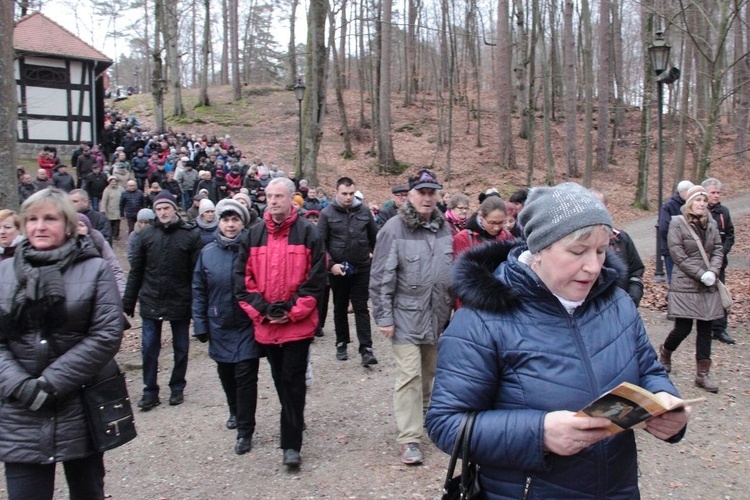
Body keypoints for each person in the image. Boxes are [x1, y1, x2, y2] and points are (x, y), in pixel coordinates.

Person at [426, 182, 690, 497]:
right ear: (537, 249)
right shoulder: (481, 321)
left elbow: (649, 370)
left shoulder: (617, 303)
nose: (594, 266)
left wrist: (668, 406)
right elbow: (445, 423)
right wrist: (539, 434)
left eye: (602, 250)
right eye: (578, 251)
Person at [0, 188, 124, 500]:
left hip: (80, 403)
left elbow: (106, 334)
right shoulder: (3, 272)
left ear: (68, 224)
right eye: (32, 219)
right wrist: (21, 385)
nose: (39, 226)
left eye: (49, 218)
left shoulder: (94, 269)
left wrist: (51, 383)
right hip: (20, 408)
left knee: (87, 491)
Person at [235, 177, 326, 469]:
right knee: (280, 380)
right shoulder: (253, 235)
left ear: (291, 200)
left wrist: (291, 311)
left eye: (278, 196)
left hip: (297, 325)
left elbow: (316, 282)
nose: (272, 201)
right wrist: (264, 310)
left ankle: (291, 444)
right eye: (269, 196)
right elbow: (241, 282)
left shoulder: (309, 233)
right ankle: (294, 419)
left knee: (293, 381)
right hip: (267, 326)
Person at [369, 169, 453, 465]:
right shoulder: (394, 228)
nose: (428, 198)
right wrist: (383, 316)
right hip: (404, 315)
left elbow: (450, 271)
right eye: (422, 192)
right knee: (410, 375)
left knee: (430, 371)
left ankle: (427, 416)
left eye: (433, 192)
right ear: (410, 195)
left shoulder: (445, 228)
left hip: (435, 316)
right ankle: (409, 439)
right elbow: (380, 276)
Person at [123, 191, 203, 411]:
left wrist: (197, 305)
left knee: (181, 347)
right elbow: (136, 270)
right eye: (158, 209)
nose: (163, 212)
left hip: (180, 299)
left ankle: (177, 386)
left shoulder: (190, 236)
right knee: (149, 348)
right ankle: (150, 390)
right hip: (151, 298)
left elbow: (197, 274)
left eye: (166, 208)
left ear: (174, 208)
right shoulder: (145, 235)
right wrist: (128, 300)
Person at [193, 199, 262, 455]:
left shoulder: (253, 249)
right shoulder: (207, 253)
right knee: (226, 374)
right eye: (225, 220)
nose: (230, 225)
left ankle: (246, 430)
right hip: (219, 323)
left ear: (242, 222)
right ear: (218, 222)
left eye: (235, 220)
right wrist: (200, 323)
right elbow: (199, 289)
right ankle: (234, 409)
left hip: (247, 324)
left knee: (246, 376)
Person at [659, 185, 725, 393]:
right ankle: (666, 352)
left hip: (708, 284)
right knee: (683, 327)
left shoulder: (711, 224)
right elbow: (677, 253)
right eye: (698, 200)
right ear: (689, 203)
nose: (702, 204)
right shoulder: (677, 223)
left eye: (705, 201)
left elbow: (718, 250)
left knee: (706, 327)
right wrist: (700, 273)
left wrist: (713, 271)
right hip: (686, 283)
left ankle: (702, 374)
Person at [317, 177, 379, 364]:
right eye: (344, 193)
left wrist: (371, 252)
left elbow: (374, 237)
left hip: (361, 268)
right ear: (337, 193)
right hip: (338, 269)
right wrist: (330, 265)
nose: (348, 197)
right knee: (339, 307)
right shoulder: (327, 214)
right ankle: (341, 343)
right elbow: (320, 245)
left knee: (361, 307)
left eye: (351, 193)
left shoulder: (364, 211)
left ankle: (366, 348)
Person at [591, 189, 645, 307]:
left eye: (599, 206)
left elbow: (637, 270)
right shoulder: (570, 242)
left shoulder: (621, 238)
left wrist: (633, 296)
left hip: (620, 307)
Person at [702, 178, 736, 345]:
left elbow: (730, 235)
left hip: (720, 261)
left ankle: (720, 329)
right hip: (701, 262)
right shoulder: (699, 211)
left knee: (720, 294)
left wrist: (722, 252)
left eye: (718, 193)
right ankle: (704, 326)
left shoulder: (724, 212)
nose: (716, 195)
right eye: (713, 192)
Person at [76, 214, 126, 296]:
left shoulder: (100, 243)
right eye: (74, 225)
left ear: (88, 228)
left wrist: (121, 294)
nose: (77, 229)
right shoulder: (63, 248)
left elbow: (115, 269)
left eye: (81, 225)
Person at [658, 180, 694, 281]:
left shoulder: (691, 205)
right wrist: (677, 243)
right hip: (671, 250)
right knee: (674, 279)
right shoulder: (669, 206)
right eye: (689, 192)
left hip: (688, 250)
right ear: (682, 192)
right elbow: (664, 228)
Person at [101, 176, 125, 241]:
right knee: (110, 224)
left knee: (117, 223)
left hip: (118, 210)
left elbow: (124, 198)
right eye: (112, 182)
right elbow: (104, 201)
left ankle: (116, 235)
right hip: (110, 210)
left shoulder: (121, 189)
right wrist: (103, 210)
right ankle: (110, 235)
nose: (113, 183)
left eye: (114, 182)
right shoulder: (107, 190)